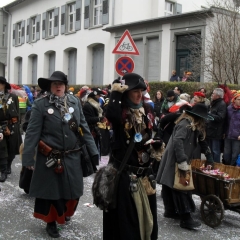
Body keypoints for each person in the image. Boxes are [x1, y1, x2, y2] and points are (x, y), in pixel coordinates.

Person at [22, 71, 98, 238]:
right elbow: (33, 132)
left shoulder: (74, 102)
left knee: (73, 190)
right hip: (50, 157)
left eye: (61, 83)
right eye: (54, 83)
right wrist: (28, 158)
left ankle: (63, 214)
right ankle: (51, 222)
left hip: (72, 156)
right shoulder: (40, 105)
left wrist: (93, 151)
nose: (58, 86)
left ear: (65, 85)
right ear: (50, 86)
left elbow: (83, 127)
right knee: (51, 193)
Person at [104, 73, 164, 240]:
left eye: (141, 91)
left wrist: (155, 145)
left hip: (145, 174)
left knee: (148, 220)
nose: (139, 95)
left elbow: (150, 135)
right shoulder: (120, 112)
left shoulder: (147, 109)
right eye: (134, 91)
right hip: (124, 176)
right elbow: (112, 115)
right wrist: (115, 90)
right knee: (126, 223)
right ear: (126, 92)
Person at [156, 103, 214, 230]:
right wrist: (182, 160)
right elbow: (178, 140)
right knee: (182, 186)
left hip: (178, 157)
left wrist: (209, 156)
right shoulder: (185, 124)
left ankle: (170, 210)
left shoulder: (195, 126)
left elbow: (202, 140)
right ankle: (185, 218)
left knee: (169, 184)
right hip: (176, 157)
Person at [0, 77, 22, 182]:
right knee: (2, 149)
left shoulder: (13, 97)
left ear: (4, 85)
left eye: (1, 83)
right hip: (0, 126)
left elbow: (17, 112)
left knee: (12, 148)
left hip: (13, 125)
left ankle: (8, 165)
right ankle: (3, 171)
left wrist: (17, 125)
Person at [82, 87, 106, 171]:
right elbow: (87, 119)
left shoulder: (94, 106)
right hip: (89, 130)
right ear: (94, 96)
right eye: (98, 95)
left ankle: (93, 166)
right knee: (91, 149)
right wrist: (99, 119)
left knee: (95, 147)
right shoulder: (88, 106)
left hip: (94, 129)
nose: (99, 97)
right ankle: (90, 166)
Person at [206, 88, 227, 163]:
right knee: (210, 150)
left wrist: (209, 114)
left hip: (216, 132)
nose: (212, 94)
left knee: (215, 151)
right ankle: (210, 165)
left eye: (213, 93)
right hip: (210, 130)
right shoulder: (212, 103)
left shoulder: (222, 104)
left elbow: (221, 117)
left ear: (218, 95)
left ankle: (216, 166)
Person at [223, 93, 240, 165]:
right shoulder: (229, 108)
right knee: (226, 154)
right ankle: (226, 168)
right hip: (228, 135)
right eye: (239, 99)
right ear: (234, 100)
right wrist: (223, 132)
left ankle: (232, 170)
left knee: (235, 154)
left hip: (237, 137)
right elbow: (225, 122)